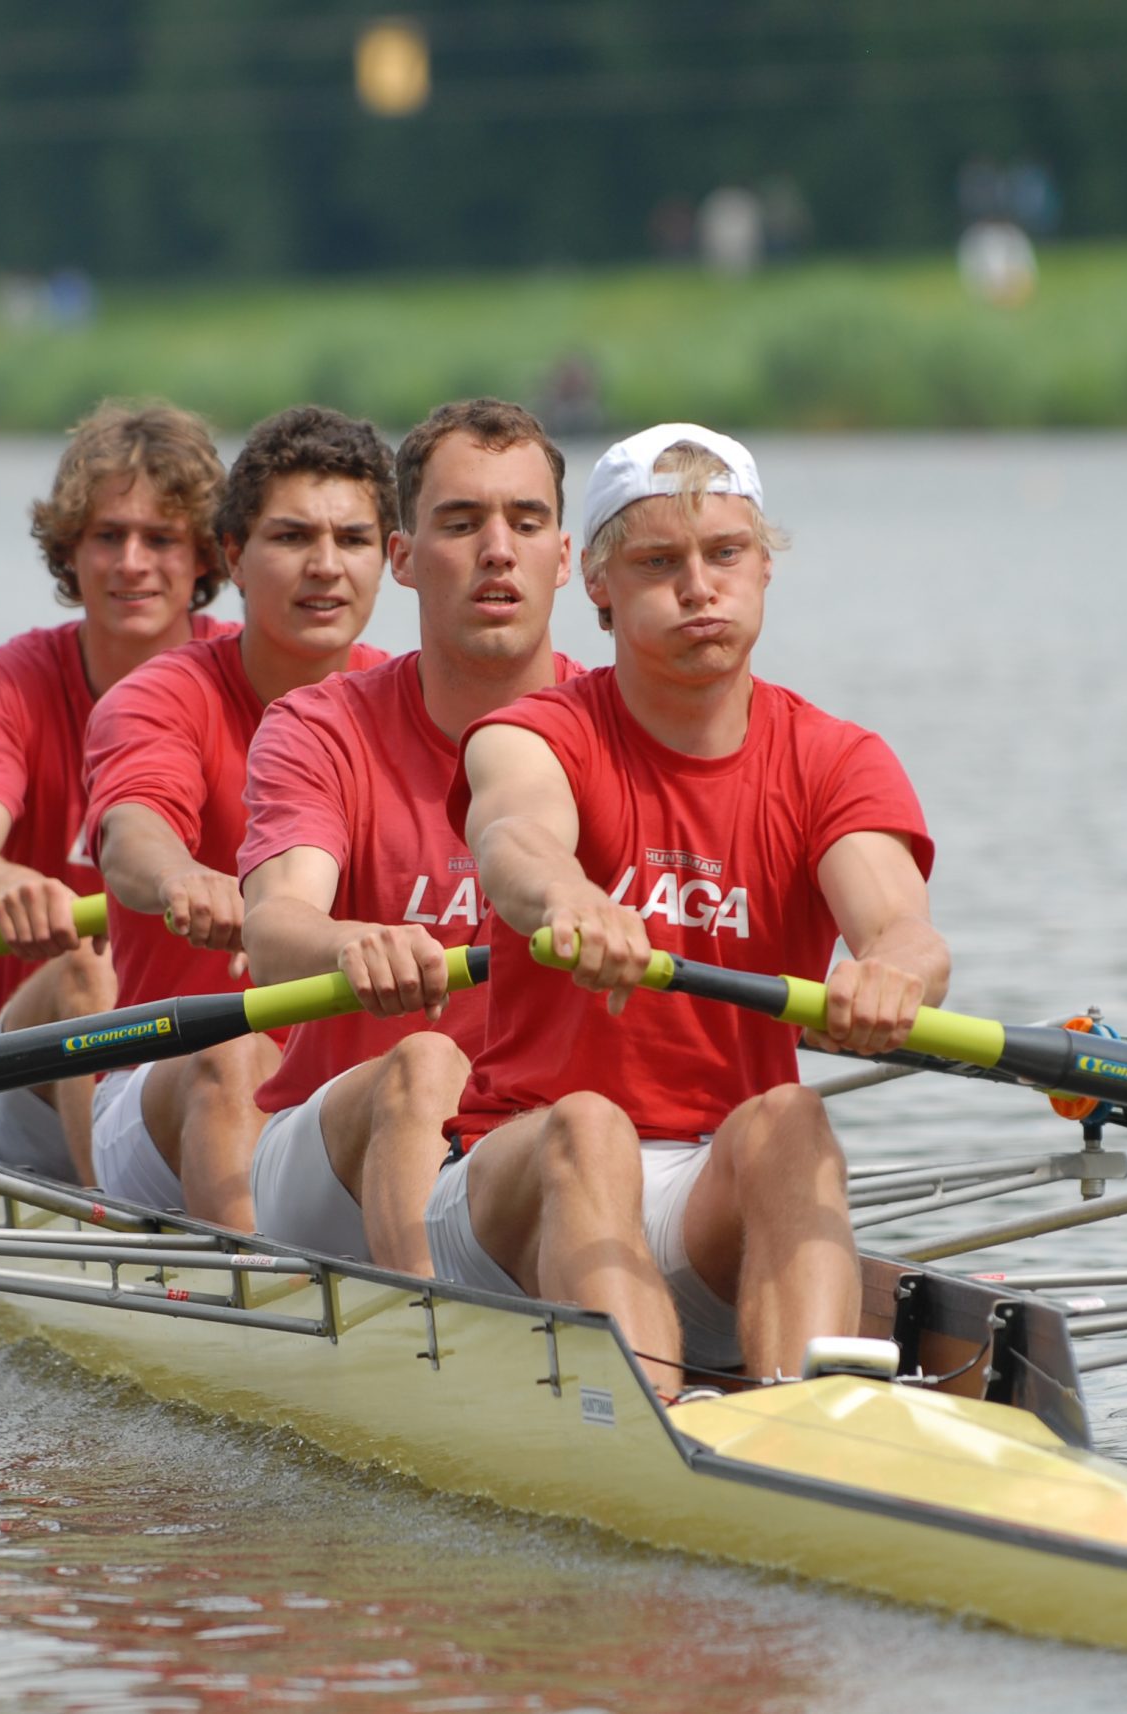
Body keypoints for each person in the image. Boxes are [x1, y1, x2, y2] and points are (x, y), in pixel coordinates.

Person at [433, 424, 949, 1395]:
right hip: (514, 1187)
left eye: (724, 555)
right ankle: (642, 1429)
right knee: (588, 1125)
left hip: (707, 1193)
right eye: (658, 561)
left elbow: (901, 928)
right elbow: (512, 839)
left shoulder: (835, 759)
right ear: (597, 585)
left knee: (793, 1117)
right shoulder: (538, 731)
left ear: (763, 569)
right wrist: (571, 896)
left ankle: (811, 1426)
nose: (697, 587)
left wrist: (890, 975)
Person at [238, 399, 579, 1270]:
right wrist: (353, 942)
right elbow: (275, 932)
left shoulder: (613, 727)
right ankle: (440, 1342)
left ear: (567, 558)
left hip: (530, 1143)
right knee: (424, 1060)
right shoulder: (321, 728)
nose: (497, 550)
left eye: (525, 522)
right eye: (461, 524)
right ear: (403, 559)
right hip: (329, 1163)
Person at [82, 406, 395, 1228]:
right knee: (235, 1054)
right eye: (291, 538)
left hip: (346, 1091)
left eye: (353, 541)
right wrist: (182, 875)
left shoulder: (418, 701)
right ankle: (258, 1308)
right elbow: (131, 835)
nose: (326, 568)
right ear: (233, 557)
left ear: (391, 558)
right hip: (166, 1084)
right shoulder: (160, 695)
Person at [0, 402, 233, 1182]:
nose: (132, 562)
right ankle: (114, 1222)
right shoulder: (8, 684)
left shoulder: (255, 677)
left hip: (211, 1058)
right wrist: (9, 886)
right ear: (69, 551)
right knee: (89, 968)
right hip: (39, 1064)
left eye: (160, 539)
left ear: (204, 557)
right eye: (107, 536)